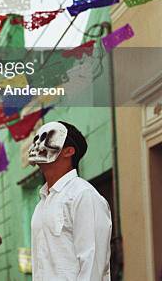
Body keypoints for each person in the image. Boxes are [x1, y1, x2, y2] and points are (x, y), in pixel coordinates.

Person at [28, 120, 112, 280]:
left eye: (46, 138)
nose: (38, 144)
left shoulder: (83, 195)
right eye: (36, 139)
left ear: (68, 151)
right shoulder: (41, 204)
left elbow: (92, 265)